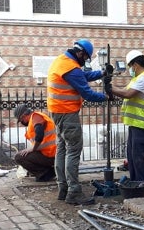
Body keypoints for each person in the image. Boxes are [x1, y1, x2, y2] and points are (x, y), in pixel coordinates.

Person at [47, 39, 110, 205]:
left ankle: (63, 188)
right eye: (86, 58)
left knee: (62, 149)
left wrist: (101, 73)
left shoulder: (62, 61)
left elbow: (82, 76)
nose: (85, 61)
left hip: (57, 112)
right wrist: (106, 97)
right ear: (81, 53)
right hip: (67, 114)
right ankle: (74, 192)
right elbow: (87, 93)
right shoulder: (71, 67)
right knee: (73, 150)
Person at [109, 50, 144, 196]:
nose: (130, 69)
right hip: (135, 123)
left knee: (138, 157)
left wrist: (110, 88)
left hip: (142, 124)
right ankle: (136, 185)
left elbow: (127, 94)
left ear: (135, 65)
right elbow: (124, 91)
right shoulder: (137, 78)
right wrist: (110, 90)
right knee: (131, 156)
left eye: (130, 66)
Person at [13, 104, 57, 182]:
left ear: (23, 116)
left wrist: (33, 149)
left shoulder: (36, 117)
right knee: (24, 153)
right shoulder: (34, 119)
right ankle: (47, 171)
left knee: (19, 157)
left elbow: (39, 134)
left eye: (21, 120)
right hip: (50, 154)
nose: (22, 123)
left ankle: (46, 173)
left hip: (52, 155)